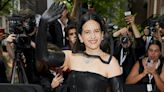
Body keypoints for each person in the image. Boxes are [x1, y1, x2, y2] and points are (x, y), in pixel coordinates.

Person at [36, 2, 123, 92]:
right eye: (87, 32)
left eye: (96, 31)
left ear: (102, 35)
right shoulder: (71, 57)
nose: (92, 36)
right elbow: (44, 57)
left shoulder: (110, 63)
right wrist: (43, 23)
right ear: (80, 37)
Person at [112, 15, 145, 82]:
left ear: (132, 39)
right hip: (116, 81)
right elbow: (107, 41)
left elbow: (140, 42)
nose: (125, 39)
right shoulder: (116, 49)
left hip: (130, 82)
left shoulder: (134, 51)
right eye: (123, 37)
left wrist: (132, 24)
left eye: (128, 37)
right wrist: (118, 32)